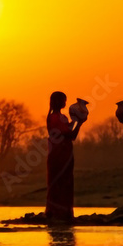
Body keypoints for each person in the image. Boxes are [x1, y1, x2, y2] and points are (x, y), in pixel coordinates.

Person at [45, 91, 85, 223]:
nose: (65, 103)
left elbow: (70, 133)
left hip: (64, 153)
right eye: (64, 100)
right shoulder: (54, 117)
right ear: (58, 101)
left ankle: (62, 211)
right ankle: (58, 211)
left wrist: (78, 121)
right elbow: (69, 135)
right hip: (58, 154)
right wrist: (79, 122)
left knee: (65, 181)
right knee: (59, 182)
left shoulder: (62, 117)